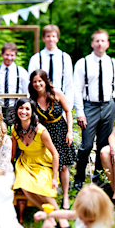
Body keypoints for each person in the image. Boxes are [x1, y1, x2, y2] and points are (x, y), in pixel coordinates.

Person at [73, 29, 115, 191]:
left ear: (107, 44)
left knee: (104, 144)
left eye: (103, 41)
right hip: (89, 106)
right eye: (97, 41)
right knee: (85, 145)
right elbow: (76, 89)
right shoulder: (82, 63)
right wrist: (80, 112)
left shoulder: (113, 63)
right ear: (92, 44)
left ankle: (98, 176)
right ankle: (78, 178)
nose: (100, 43)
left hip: (108, 106)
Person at [11, 98, 70, 228]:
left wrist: (55, 177)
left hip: (43, 162)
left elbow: (55, 154)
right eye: (21, 108)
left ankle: (60, 217)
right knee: (25, 186)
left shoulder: (40, 131)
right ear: (17, 110)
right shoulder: (15, 129)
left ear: (32, 112)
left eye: (27, 109)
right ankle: (49, 214)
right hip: (25, 162)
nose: (23, 111)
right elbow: (12, 154)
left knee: (40, 186)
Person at [30, 69, 76, 210]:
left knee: (63, 166)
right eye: (35, 82)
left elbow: (68, 111)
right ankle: (51, 193)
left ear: (45, 81)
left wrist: (70, 131)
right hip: (44, 134)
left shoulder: (56, 94)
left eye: (40, 81)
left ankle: (66, 196)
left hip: (60, 130)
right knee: (48, 164)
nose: (38, 84)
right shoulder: (32, 99)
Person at [27, 24, 74, 109]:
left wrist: (68, 106)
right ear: (43, 38)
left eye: (53, 36)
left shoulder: (65, 58)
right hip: (40, 101)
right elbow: (30, 82)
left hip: (59, 101)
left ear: (57, 38)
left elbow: (69, 84)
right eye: (48, 36)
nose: (51, 39)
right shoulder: (36, 58)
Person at [0, 42, 29, 126]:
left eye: (12, 55)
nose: (9, 58)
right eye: (7, 55)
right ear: (2, 54)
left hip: (15, 108)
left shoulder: (22, 72)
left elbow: (26, 92)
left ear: (15, 56)